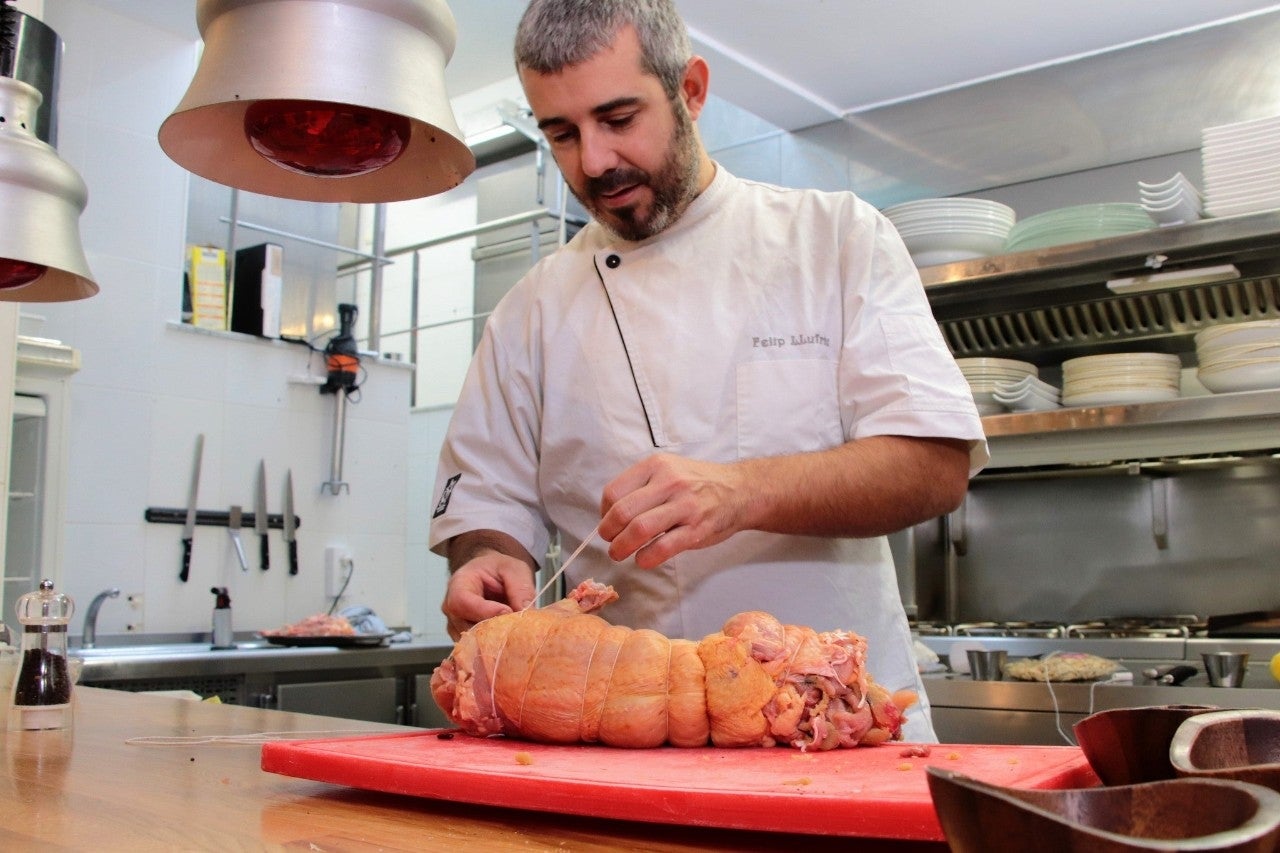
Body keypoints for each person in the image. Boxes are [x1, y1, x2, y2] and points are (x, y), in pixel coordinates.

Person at [428, 0, 987, 742]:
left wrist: (741, 490)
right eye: (562, 133)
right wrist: (486, 561)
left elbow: (934, 466)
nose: (593, 161)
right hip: (632, 739)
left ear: (690, 90)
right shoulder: (529, 310)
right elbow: (485, 516)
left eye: (619, 118)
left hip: (836, 725)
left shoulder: (834, 237)